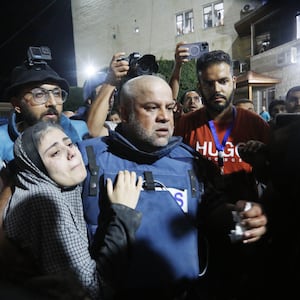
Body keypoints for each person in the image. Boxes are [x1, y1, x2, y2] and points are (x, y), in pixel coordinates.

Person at [78, 74, 267, 300]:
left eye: (169, 108)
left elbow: (211, 210)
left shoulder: (190, 160)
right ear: (125, 112)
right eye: (151, 108)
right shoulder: (86, 158)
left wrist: (240, 216)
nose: (164, 118)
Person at [2, 121, 143, 300]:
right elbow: (91, 291)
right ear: (35, 167)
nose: (71, 153)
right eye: (55, 153)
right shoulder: (43, 201)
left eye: (69, 143)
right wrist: (123, 213)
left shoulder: (46, 184)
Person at [174, 50, 270, 299]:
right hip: (199, 228)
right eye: (208, 82)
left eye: (223, 81)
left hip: (245, 227)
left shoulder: (256, 124)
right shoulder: (185, 125)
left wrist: (261, 161)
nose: (216, 88)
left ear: (233, 82)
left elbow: (275, 179)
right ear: (199, 85)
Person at [0, 53, 89, 216]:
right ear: (16, 104)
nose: (52, 102)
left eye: (57, 93)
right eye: (39, 94)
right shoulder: (1, 141)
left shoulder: (81, 131)